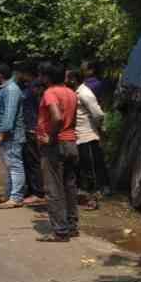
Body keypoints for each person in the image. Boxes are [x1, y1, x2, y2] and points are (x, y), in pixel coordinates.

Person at [37, 61, 80, 242]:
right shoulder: (71, 93)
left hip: (56, 144)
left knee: (53, 187)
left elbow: (57, 117)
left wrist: (51, 137)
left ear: (46, 77)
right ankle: (71, 226)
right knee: (69, 186)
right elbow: (72, 119)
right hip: (71, 142)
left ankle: (60, 231)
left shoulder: (50, 93)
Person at [0, 62, 27, 207]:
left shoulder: (11, 90)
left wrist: (2, 135)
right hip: (6, 135)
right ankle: (10, 195)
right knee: (10, 166)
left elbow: (9, 114)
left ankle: (16, 197)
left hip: (11, 136)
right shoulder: (7, 89)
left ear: (0, 75)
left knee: (15, 166)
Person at [72, 68, 110, 201]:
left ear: (73, 79)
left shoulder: (84, 93)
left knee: (92, 165)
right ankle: (90, 191)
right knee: (86, 165)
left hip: (87, 135)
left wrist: (97, 127)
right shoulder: (77, 92)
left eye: (67, 78)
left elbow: (98, 114)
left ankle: (98, 191)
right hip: (80, 135)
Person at [15, 61, 45, 205]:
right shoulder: (30, 86)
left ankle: (38, 192)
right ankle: (32, 189)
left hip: (33, 128)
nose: (18, 76)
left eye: (19, 73)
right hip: (29, 127)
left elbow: (41, 107)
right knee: (29, 160)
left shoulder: (35, 87)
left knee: (34, 161)